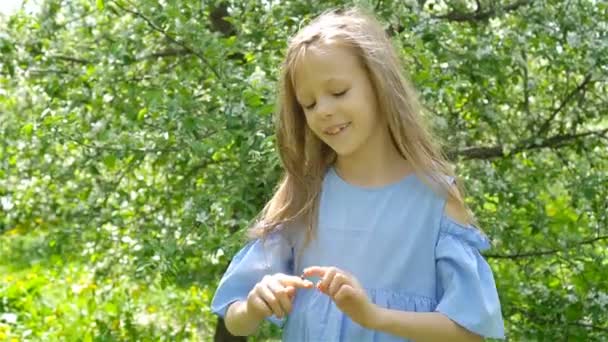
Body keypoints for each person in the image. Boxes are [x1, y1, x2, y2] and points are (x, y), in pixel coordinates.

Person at [210, 7, 505, 341]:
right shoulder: (305, 195)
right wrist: (255, 304)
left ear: (379, 84)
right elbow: (235, 320)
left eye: (338, 92)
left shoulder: (435, 201)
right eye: (308, 104)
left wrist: (374, 317)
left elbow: (471, 331)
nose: (324, 110)